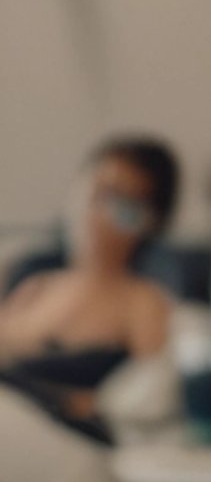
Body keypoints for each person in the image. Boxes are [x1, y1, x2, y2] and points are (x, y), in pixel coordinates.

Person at [0, 137, 179, 435]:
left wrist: (60, 401)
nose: (99, 215)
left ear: (151, 221)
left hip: (56, 443)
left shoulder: (141, 301)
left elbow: (151, 407)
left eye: (124, 205)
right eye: (96, 192)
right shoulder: (36, 285)